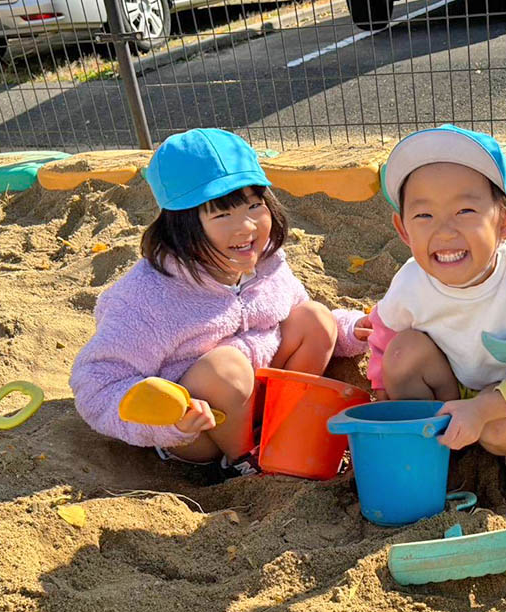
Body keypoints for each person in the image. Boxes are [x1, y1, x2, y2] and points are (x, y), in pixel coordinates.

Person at [70, 128, 369, 478]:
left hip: (260, 398)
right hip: (202, 428)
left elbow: (296, 316)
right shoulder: (148, 297)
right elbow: (97, 383)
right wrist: (171, 420)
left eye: (254, 205)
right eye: (221, 215)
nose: (245, 227)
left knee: (315, 318)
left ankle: (285, 428)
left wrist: (354, 329)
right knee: (226, 367)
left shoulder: (268, 264)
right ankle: (245, 463)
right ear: (182, 226)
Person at [367, 125, 506, 511]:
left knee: (501, 430)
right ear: (402, 229)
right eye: (424, 214)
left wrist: (484, 408)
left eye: (465, 210)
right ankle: (438, 450)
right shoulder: (410, 282)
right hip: (450, 388)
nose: (445, 230)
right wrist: (384, 395)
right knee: (402, 354)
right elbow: (384, 336)